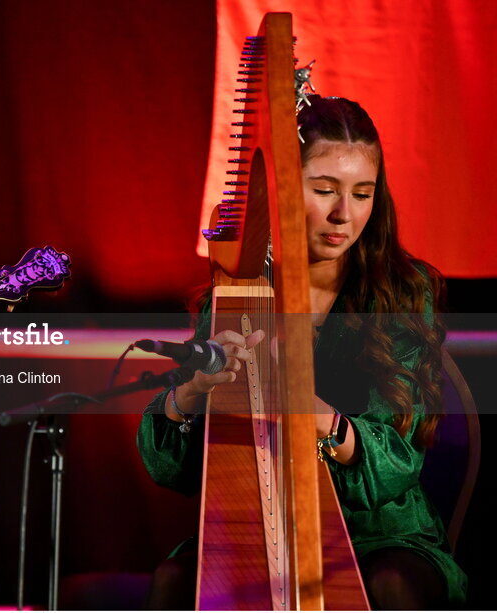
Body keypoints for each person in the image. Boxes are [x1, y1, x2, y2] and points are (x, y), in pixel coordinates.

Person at [136, 96, 467, 609]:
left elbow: (400, 460)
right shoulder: (236, 290)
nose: (344, 214)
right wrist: (194, 393)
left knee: (390, 588)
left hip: (379, 534)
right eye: (324, 190)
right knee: (175, 582)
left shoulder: (403, 292)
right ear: (284, 194)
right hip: (258, 524)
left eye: (362, 194)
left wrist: (313, 413)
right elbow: (170, 469)